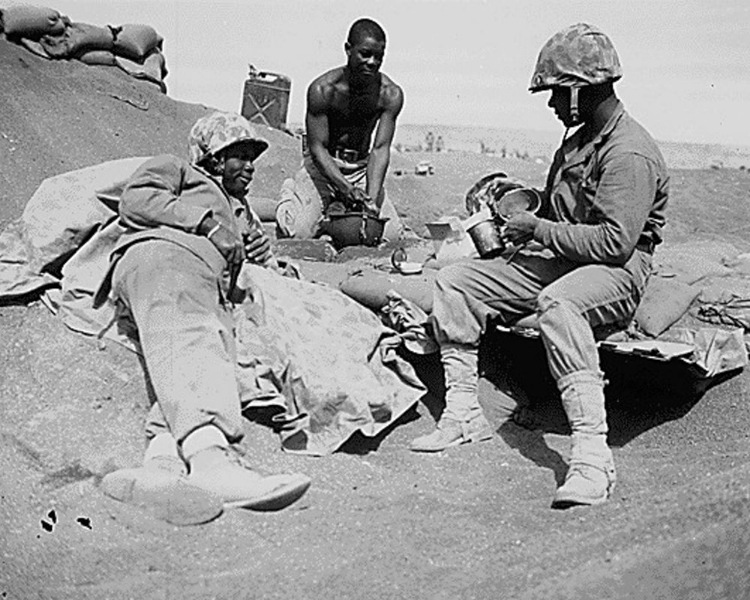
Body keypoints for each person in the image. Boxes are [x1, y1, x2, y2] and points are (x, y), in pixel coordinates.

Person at [410, 23, 669, 509]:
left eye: (554, 94)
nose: (551, 105)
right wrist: (525, 207)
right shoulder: (578, 141)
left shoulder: (628, 152)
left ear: (577, 91)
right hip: (566, 256)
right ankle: (465, 413)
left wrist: (537, 230)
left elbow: (614, 243)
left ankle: (592, 454)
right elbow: (565, 210)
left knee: (559, 305)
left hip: (616, 270)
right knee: (456, 281)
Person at [99, 111, 311, 522]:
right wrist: (208, 223)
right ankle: (211, 461)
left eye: (253, 157)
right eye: (238, 155)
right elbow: (136, 199)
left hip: (206, 287)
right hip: (163, 254)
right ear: (211, 158)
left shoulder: (241, 211)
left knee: (204, 341)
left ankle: (161, 464)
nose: (249, 166)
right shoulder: (177, 171)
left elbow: (253, 261)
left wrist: (261, 257)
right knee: (187, 325)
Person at [275, 17, 406, 243]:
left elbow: (380, 149)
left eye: (379, 57)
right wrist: (345, 188)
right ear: (348, 49)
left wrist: (371, 202)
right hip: (323, 167)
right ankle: (291, 193)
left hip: (360, 170)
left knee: (389, 236)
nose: (372, 62)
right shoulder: (322, 90)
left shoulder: (390, 94)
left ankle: (336, 216)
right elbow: (317, 148)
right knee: (298, 232)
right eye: (365, 54)